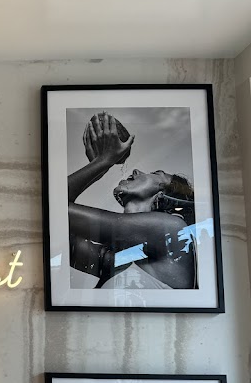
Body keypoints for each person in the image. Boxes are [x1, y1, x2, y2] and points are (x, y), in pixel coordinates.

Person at [68, 112, 196, 290]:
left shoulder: (172, 229)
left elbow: (56, 211)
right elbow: (52, 217)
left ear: (163, 195)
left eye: (156, 174)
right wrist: (98, 165)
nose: (136, 171)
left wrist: (104, 161)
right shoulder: (117, 260)